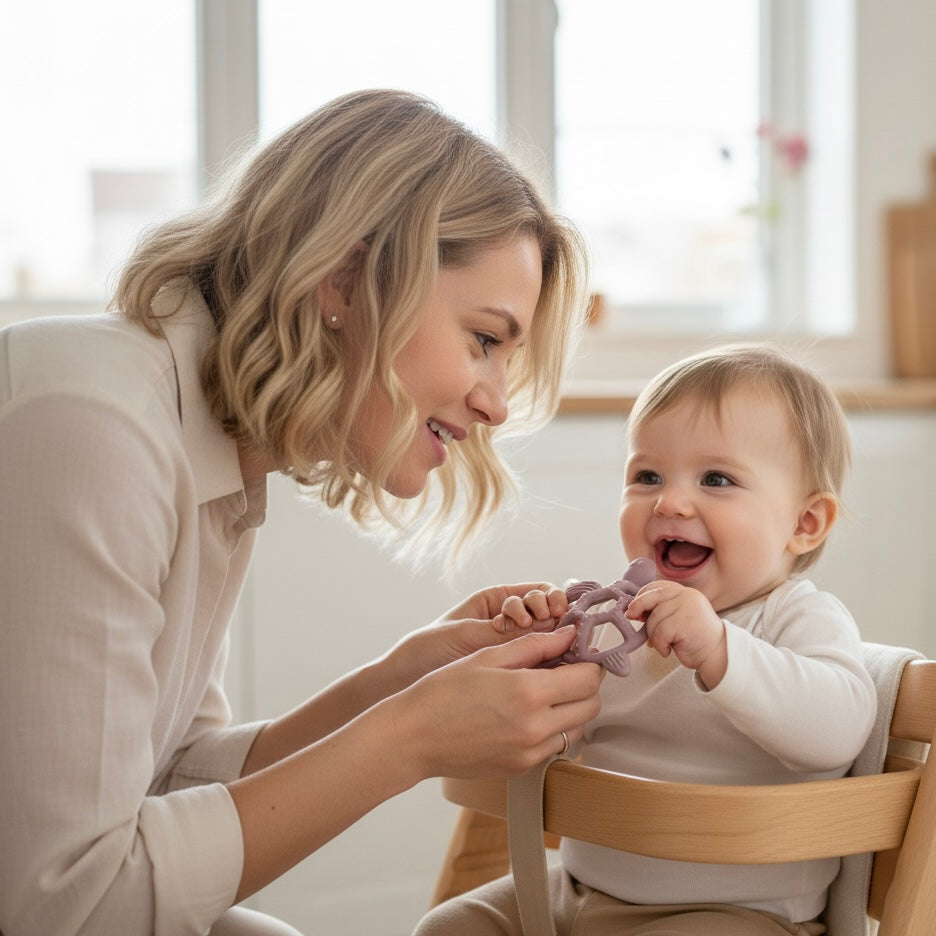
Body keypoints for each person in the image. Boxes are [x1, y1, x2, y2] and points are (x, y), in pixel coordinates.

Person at [0, 89, 607, 936]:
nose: (497, 403)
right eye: (483, 340)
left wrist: (397, 682)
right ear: (346, 279)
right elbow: (68, 901)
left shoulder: (208, 454)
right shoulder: (94, 427)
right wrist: (412, 736)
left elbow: (164, 778)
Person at [415, 344, 877, 936]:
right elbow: (548, 739)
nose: (670, 502)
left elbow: (837, 732)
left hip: (733, 916)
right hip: (576, 890)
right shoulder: (613, 622)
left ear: (804, 524)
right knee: (449, 927)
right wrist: (535, 661)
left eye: (716, 479)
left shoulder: (796, 618)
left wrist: (719, 650)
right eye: (647, 476)